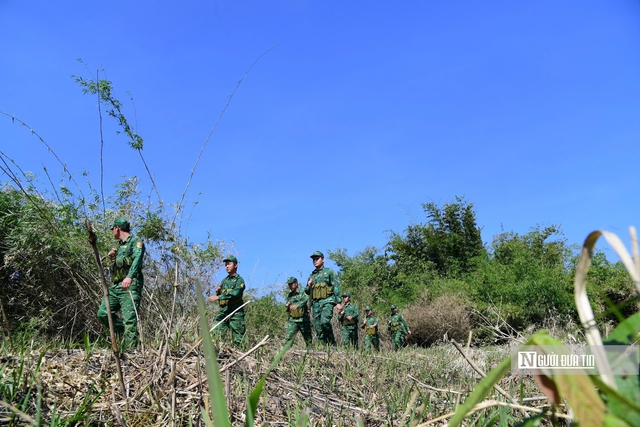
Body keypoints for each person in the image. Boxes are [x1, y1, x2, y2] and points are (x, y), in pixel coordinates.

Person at [97, 217, 145, 351]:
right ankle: (126, 331)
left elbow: (137, 260)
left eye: (113, 229)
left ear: (117, 228)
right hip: (116, 286)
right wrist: (113, 258)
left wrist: (129, 277)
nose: (113, 232)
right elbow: (121, 265)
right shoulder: (120, 246)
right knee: (103, 313)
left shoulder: (135, 241)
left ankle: (131, 350)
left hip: (130, 285)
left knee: (130, 319)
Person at [305, 251, 342, 346]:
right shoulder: (312, 275)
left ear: (323, 259)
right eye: (313, 259)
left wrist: (338, 302)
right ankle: (323, 346)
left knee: (324, 321)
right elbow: (307, 291)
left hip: (327, 301)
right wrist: (309, 285)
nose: (315, 261)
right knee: (318, 326)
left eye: (317, 259)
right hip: (316, 303)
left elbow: (336, 286)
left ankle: (331, 344)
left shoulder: (329, 272)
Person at [208, 255, 246, 346]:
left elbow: (236, 293)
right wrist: (218, 293)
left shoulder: (239, 280)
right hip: (224, 311)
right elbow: (223, 295)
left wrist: (218, 297)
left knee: (238, 338)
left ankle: (239, 356)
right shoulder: (224, 281)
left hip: (236, 312)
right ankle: (222, 351)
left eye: (229, 264)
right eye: (225, 265)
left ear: (235, 265)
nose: (227, 266)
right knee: (217, 331)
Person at [284, 277, 312, 348]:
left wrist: (298, 306)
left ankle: (310, 352)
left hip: (303, 320)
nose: (290, 286)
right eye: (289, 285)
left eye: (291, 284)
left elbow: (306, 299)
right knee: (289, 338)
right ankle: (286, 353)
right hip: (293, 320)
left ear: (296, 284)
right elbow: (288, 307)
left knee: (308, 339)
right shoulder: (290, 295)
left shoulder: (302, 292)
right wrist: (287, 306)